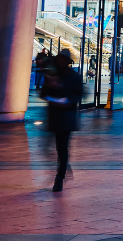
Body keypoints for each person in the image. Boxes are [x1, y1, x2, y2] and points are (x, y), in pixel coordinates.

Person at [41, 50, 83, 192]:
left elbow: (77, 96)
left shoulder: (75, 77)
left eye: (63, 60)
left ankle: (60, 177)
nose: (60, 62)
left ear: (67, 62)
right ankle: (64, 165)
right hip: (53, 116)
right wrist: (49, 86)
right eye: (59, 59)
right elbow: (43, 94)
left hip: (66, 118)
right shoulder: (52, 76)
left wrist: (66, 102)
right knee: (47, 148)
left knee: (62, 148)